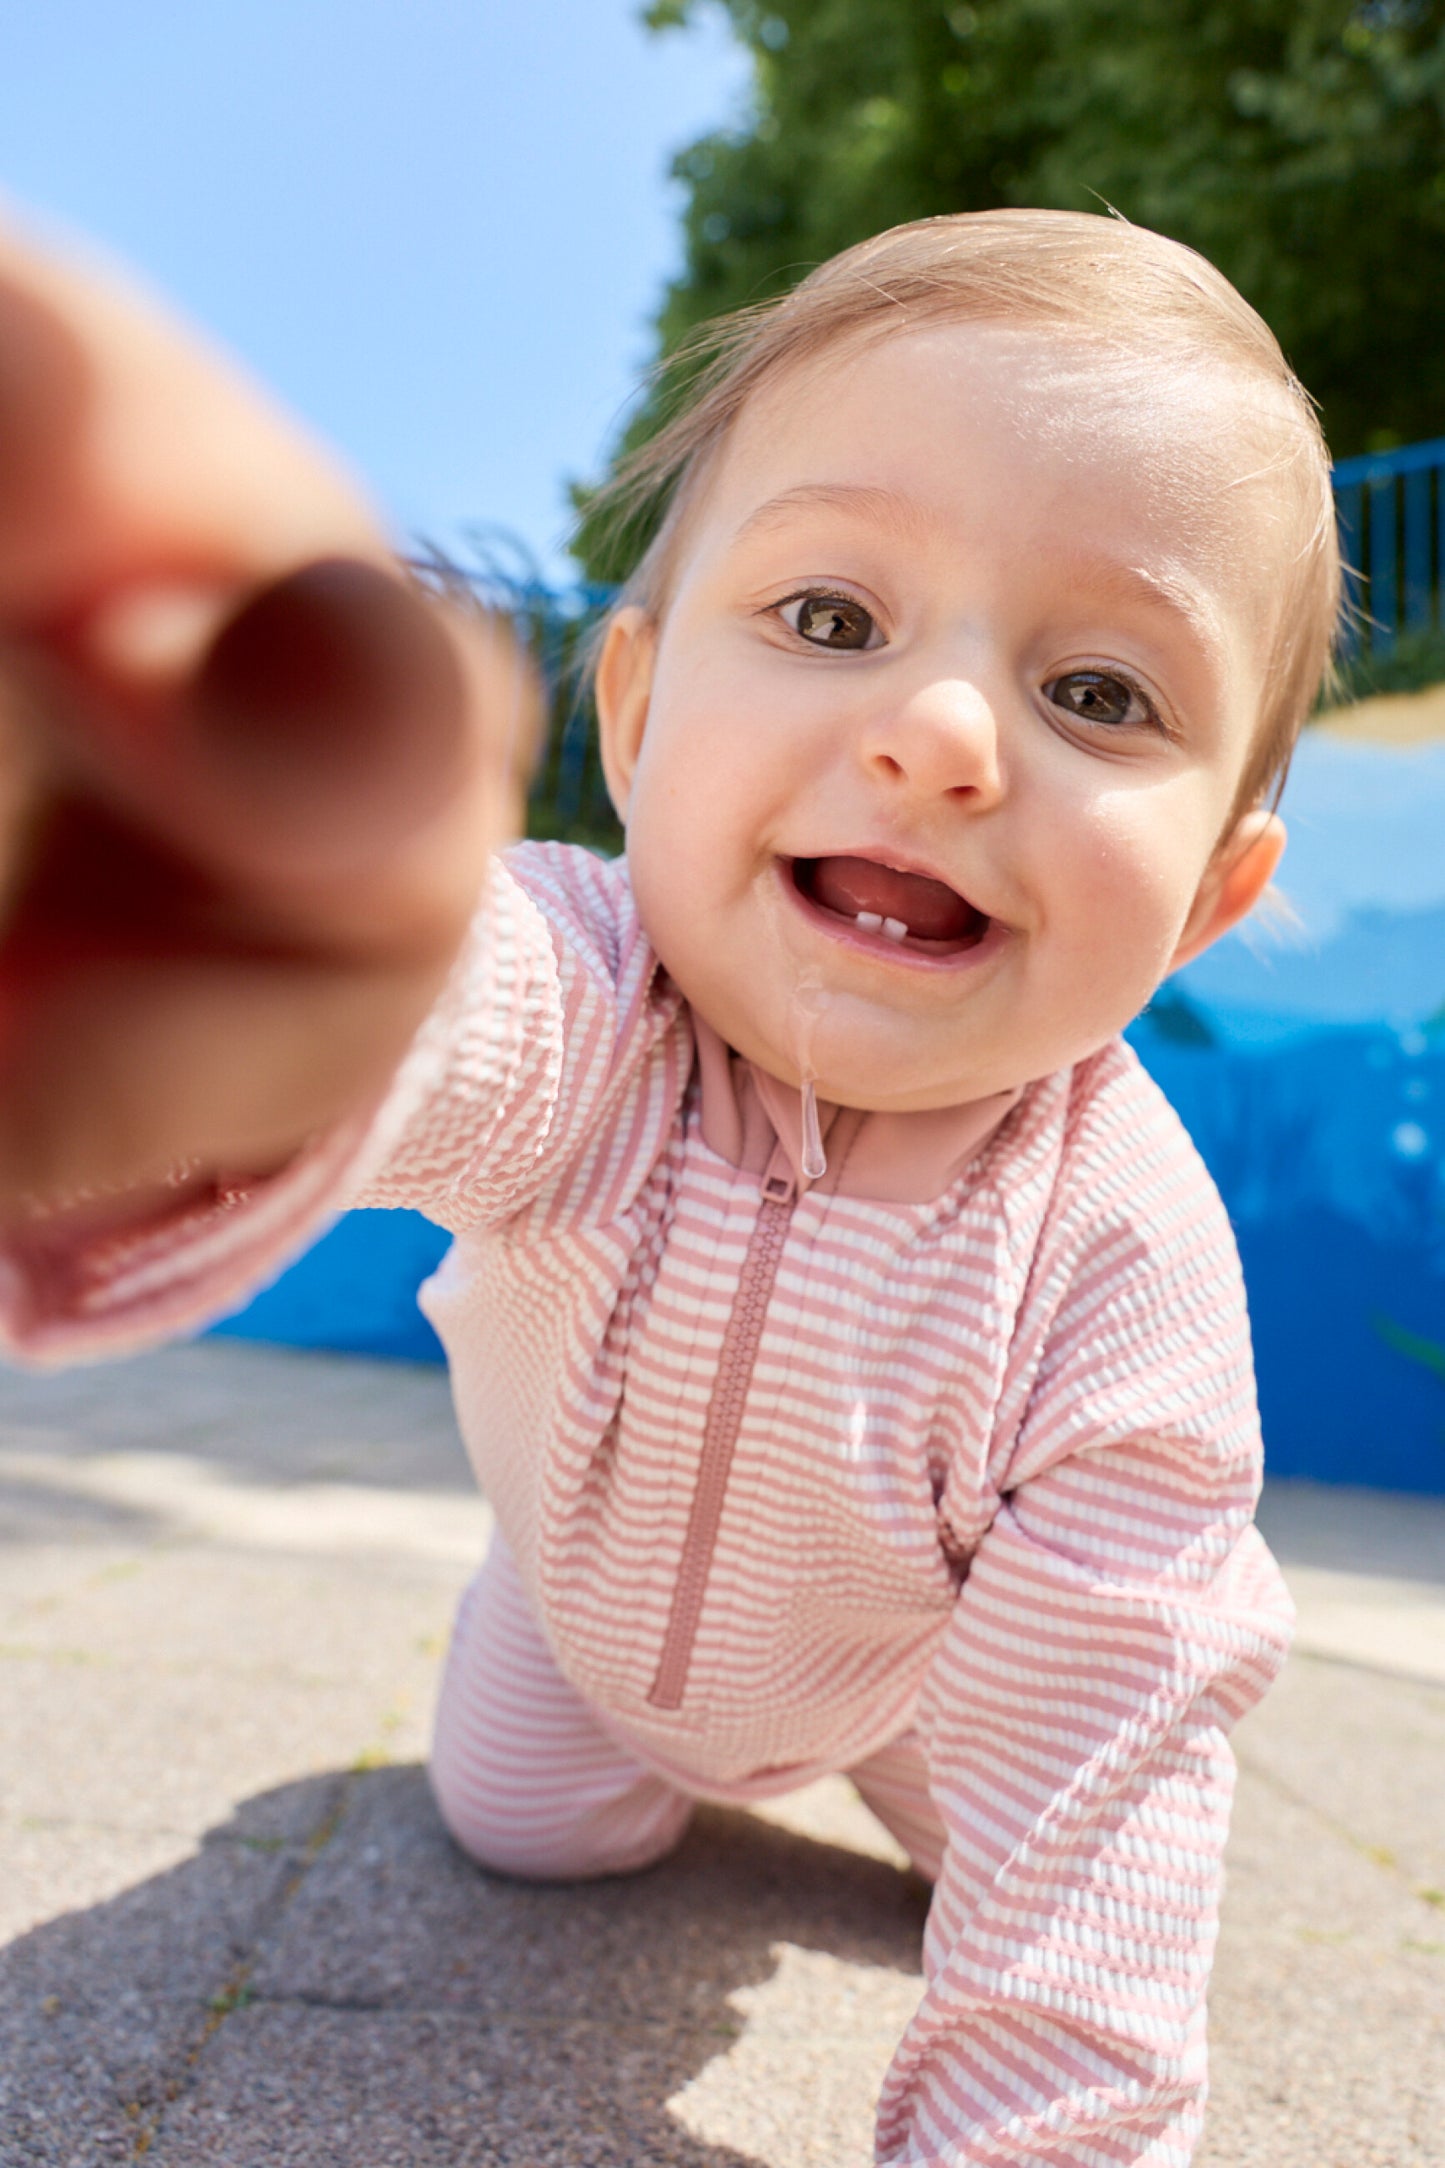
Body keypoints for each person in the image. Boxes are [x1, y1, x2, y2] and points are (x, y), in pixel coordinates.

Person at [0, 208, 1338, 2164]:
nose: (944, 737)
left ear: (1215, 894)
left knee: (1050, 1836)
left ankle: (889, 1740)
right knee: (521, 1830)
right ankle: (551, 1629)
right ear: (630, 717)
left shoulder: (1119, 1256)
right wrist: (237, 986)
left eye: (1104, 695)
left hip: (953, 1664)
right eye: (830, 619)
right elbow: (421, 1018)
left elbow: (1103, 1786)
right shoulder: (583, 994)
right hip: (582, 1614)